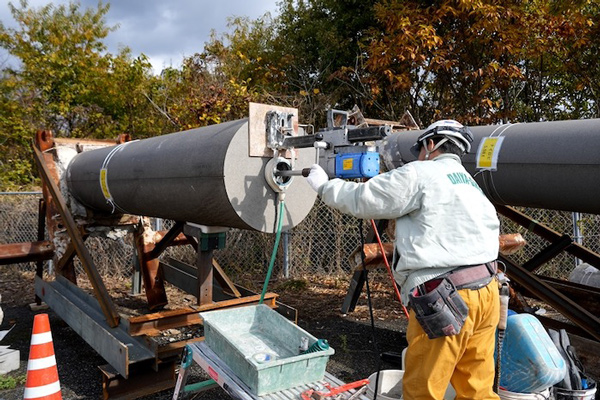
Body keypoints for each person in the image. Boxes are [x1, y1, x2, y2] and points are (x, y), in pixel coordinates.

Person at [307, 119, 500, 400]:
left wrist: (325, 187)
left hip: (444, 299)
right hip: (487, 292)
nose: (419, 155)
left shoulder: (421, 173)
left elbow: (365, 198)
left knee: (424, 389)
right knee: (476, 388)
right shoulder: (471, 185)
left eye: (420, 148)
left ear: (431, 144)